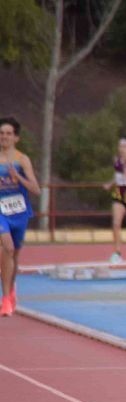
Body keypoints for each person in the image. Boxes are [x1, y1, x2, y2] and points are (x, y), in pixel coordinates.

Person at [0, 117, 41, 317]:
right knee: (6, 247)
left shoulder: (22, 160)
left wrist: (18, 178)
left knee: (14, 254)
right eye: (1, 133)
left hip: (19, 211)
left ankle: (11, 287)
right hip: (0, 211)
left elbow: (36, 189)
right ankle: (5, 298)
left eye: (8, 133)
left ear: (16, 137)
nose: (4, 137)